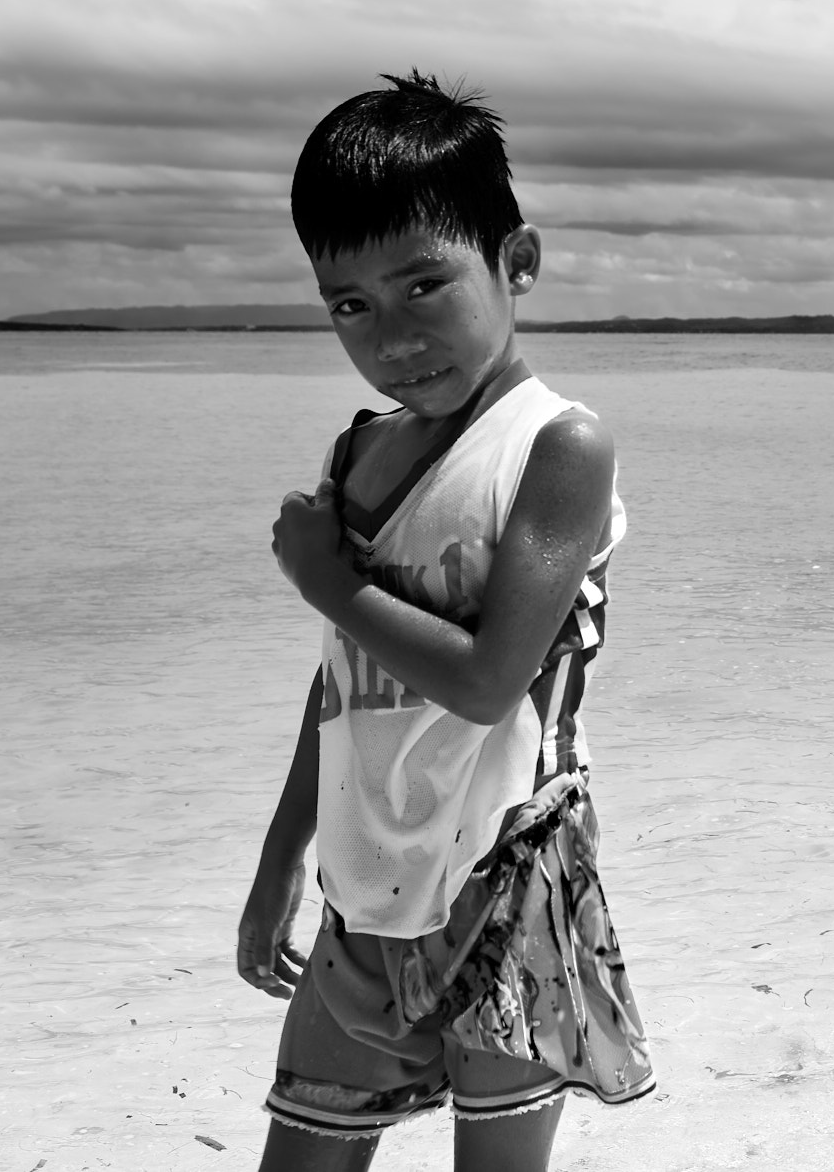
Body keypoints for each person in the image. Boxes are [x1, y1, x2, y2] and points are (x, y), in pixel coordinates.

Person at [237, 72, 654, 1172]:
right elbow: (339, 682)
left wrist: (326, 581)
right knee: (305, 1152)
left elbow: (485, 682)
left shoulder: (555, 447)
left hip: (508, 881)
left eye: (426, 283)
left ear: (515, 262)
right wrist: (283, 859)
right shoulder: (356, 456)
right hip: (366, 888)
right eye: (350, 304)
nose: (392, 336)